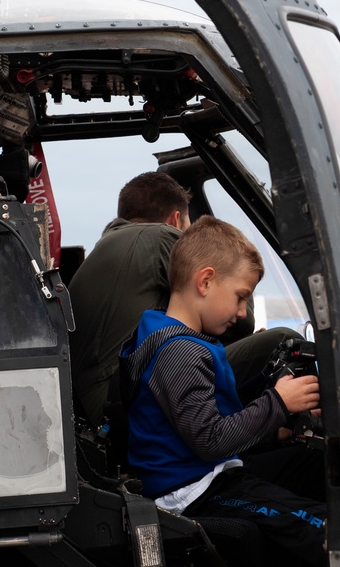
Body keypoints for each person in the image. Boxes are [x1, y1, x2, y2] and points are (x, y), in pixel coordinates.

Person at [119, 215, 327, 567]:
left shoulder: (171, 336)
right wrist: (277, 403)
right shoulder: (179, 352)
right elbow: (210, 439)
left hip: (208, 474)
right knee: (323, 531)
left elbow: (216, 415)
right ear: (206, 281)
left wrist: (274, 421)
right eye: (241, 297)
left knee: (317, 464)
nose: (242, 313)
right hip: (192, 491)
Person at [69, 171, 296, 427]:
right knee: (284, 341)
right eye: (189, 230)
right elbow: (244, 323)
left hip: (95, 406)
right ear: (176, 220)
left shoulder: (111, 245)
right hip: (114, 406)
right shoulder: (158, 237)